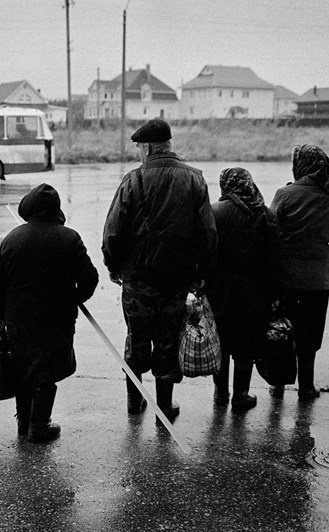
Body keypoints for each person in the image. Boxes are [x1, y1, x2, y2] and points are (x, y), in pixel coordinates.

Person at [102, 118, 217, 422]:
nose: (139, 153)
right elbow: (207, 233)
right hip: (176, 279)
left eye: (140, 148)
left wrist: (113, 265)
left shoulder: (133, 180)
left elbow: (113, 230)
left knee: (136, 339)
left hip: (137, 278)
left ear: (148, 147)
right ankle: (164, 407)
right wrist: (202, 273)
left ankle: (134, 402)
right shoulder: (194, 179)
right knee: (167, 341)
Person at [0, 183, 99, 443]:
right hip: (57, 319)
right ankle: (39, 427)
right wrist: (73, 298)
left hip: (19, 320)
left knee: (23, 369)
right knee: (46, 372)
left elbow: (0, 285)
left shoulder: (12, 239)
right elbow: (89, 277)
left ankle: (24, 423)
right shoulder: (69, 238)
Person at [270, 144, 329, 400]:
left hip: (285, 279)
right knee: (310, 335)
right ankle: (306, 386)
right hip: (317, 281)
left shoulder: (285, 194)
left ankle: (278, 383)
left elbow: (270, 234)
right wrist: (323, 263)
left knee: (282, 331)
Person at [204, 167, 282, 411]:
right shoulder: (266, 215)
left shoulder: (214, 212)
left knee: (222, 343)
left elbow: (205, 252)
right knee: (245, 347)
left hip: (219, 292)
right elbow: (275, 261)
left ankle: (220, 393)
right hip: (254, 294)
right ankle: (241, 395)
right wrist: (275, 294)